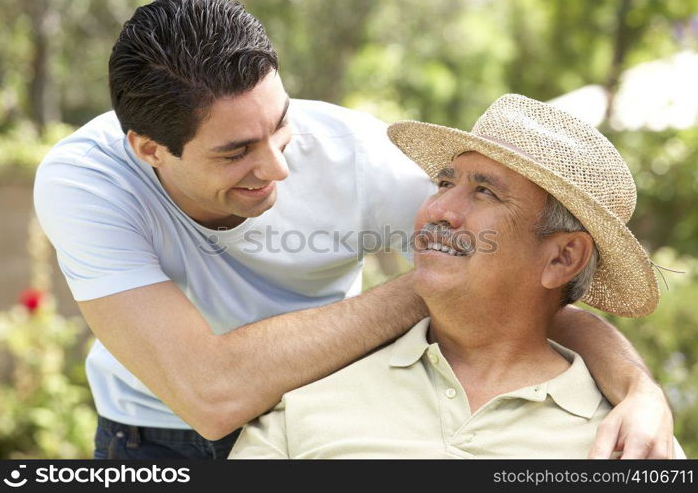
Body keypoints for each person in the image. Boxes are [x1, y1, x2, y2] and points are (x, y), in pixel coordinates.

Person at [34, 0, 672, 459]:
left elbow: (526, 284)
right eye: (237, 152)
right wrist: (437, 279)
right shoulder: (88, 184)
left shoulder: (358, 159)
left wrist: (640, 391)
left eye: (281, 123)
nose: (278, 167)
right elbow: (210, 395)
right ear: (148, 149)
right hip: (153, 438)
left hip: (319, 415)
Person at [229, 94, 685, 459]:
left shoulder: (634, 445)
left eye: (484, 192)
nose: (437, 210)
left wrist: (639, 391)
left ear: (563, 258)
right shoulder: (307, 402)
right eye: (445, 184)